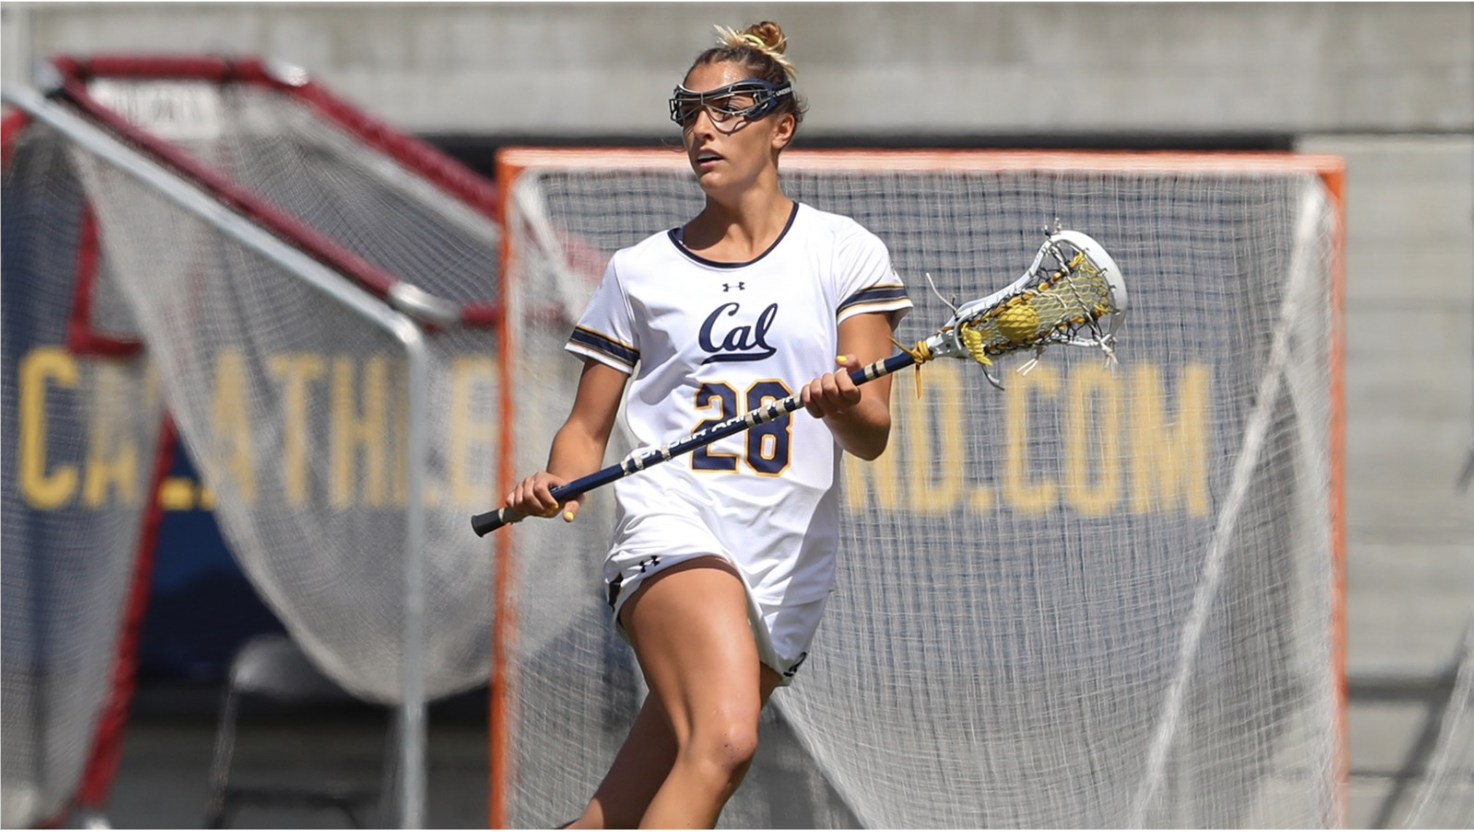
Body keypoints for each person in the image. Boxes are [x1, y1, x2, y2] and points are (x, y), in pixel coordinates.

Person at [505, 20, 911, 829]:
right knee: (725, 741)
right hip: (675, 528)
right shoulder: (640, 272)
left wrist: (844, 404)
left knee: (620, 810)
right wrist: (562, 481)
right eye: (689, 111)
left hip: (786, 560)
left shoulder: (845, 254)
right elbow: (586, 429)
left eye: (728, 109)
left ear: (780, 126)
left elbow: (872, 433)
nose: (702, 129)